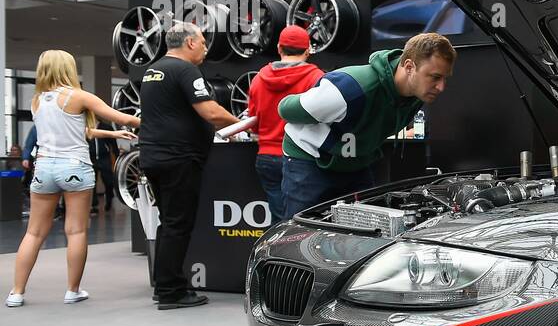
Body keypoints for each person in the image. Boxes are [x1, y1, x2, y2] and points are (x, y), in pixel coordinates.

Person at [6, 50, 139, 308]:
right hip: (74, 167)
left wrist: (113, 136)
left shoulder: (37, 101)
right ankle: (72, 290)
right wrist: (144, 122)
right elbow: (120, 117)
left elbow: (81, 129)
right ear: (67, 68)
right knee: (76, 230)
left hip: (44, 168)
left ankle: (16, 292)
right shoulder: (77, 96)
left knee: (33, 233)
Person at [279, 32, 455, 219]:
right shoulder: (351, 88)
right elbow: (285, 108)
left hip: (355, 164)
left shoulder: (416, 94)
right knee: (302, 234)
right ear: (409, 66)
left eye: (445, 78)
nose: (441, 87)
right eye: (435, 77)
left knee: (365, 234)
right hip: (310, 161)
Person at [137, 21, 240, 310]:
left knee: (169, 222)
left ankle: (164, 285)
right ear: (191, 43)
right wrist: (243, 124)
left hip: (154, 156)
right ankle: (171, 291)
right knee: (177, 224)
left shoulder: (152, 71)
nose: (206, 48)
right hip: (178, 158)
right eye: (204, 42)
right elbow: (210, 111)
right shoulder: (185, 70)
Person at [244, 25, 323, 225]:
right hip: (302, 158)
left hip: (267, 157)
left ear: (279, 48)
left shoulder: (259, 79)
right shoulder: (317, 78)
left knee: (280, 222)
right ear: (307, 51)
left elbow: (254, 123)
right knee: (304, 223)